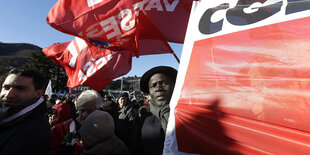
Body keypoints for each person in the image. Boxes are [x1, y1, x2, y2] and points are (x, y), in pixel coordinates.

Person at [0, 68, 51, 155]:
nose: (9, 95)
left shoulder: (34, 131)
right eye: (6, 87)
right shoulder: (7, 118)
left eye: (20, 89)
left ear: (38, 93)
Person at [49, 89, 102, 155]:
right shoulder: (61, 128)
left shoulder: (103, 129)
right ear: (78, 109)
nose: (85, 115)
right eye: (82, 110)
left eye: (90, 111)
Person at [139, 66, 177, 155]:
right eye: (153, 85)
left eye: (163, 83)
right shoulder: (142, 120)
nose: (158, 88)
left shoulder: (189, 115)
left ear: (174, 86)